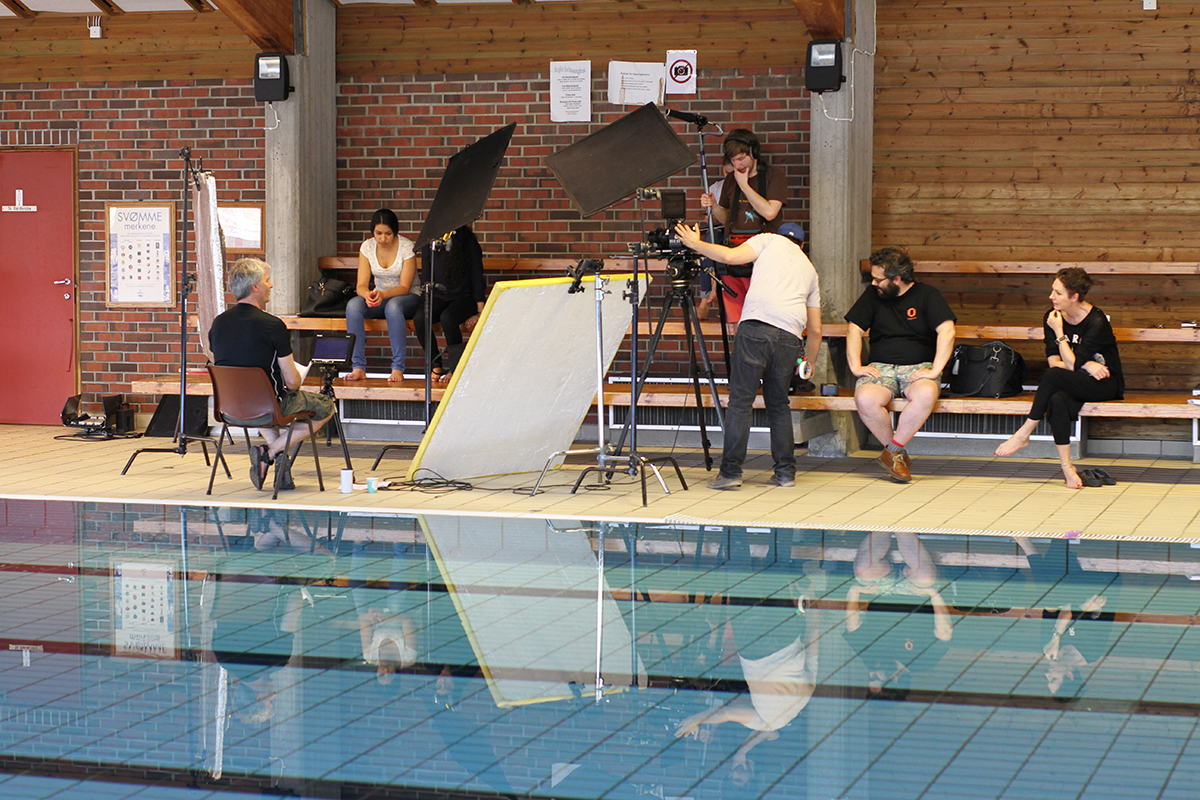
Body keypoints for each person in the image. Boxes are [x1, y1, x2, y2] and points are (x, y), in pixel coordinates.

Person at [675, 222, 821, 490]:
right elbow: (816, 329)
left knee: (741, 403)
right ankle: (785, 473)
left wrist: (695, 244)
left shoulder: (767, 240)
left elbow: (729, 257)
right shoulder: (810, 269)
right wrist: (808, 363)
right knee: (779, 405)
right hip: (789, 337)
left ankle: (731, 474)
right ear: (802, 245)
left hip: (756, 328)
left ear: (780, 236)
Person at [208, 257, 335, 491]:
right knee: (326, 407)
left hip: (230, 409)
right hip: (267, 406)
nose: (271, 286)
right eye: (267, 280)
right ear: (255, 287)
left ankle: (281, 469)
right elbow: (292, 383)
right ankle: (270, 451)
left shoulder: (218, 324)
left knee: (263, 405)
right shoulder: (273, 325)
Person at [994, 268, 1124, 489]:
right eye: (1052, 291)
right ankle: (1067, 468)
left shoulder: (1097, 321)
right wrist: (1087, 364)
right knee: (1056, 399)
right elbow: (1055, 362)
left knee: (1053, 377)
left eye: (1058, 293)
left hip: (1104, 383)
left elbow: (1069, 365)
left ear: (1074, 297)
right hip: (1074, 379)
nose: (1051, 297)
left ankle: (1024, 432)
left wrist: (1060, 334)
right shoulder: (1052, 316)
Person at [846, 247, 956, 483]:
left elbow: (947, 331)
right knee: (865, 398)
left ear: (897, 279)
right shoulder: (873, 296)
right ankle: (896, 454)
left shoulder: (927, 295)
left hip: (917, 367)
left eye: (878, 279)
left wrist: (936, 370)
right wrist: (856, 366)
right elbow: (855, 328)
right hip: (880, 367)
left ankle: (892, 452)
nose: (873, 283)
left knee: (927, 393)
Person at [699, 129, 787, 324]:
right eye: (733, 161)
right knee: (736, 318)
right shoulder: (731, 179)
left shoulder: (773, 176)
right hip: (735, 255)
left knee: (762, 317)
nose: (737, 165)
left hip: (764, 255)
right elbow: (725, 219)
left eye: (741, 159)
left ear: (754, 153)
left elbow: (770, 212)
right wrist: (714, 206)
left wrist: (745, 186)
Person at [345, 208, 420, 382]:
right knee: (353, 305)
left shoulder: (407, 247)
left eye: (388, 234)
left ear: (395, 232)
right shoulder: (367, 246)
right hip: (379, 296)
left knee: (393, 307)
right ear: (373, 231)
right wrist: (368, 295)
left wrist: (383, 294)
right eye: (378, 233)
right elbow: (361, 285)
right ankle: (358, 367)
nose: (383, 239)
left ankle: (397, 368)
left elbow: (404, 287)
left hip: (406, 298)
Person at [414, 225, 487, 383]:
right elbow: (426, 276)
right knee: (421, 318)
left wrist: (480, 311)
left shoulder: (468, 242)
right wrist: (426, 304)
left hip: (465, 298)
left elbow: (476, 275)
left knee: (448, 318)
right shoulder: (431, 244)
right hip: (440, 295)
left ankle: (455, 368)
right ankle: (436, 363)